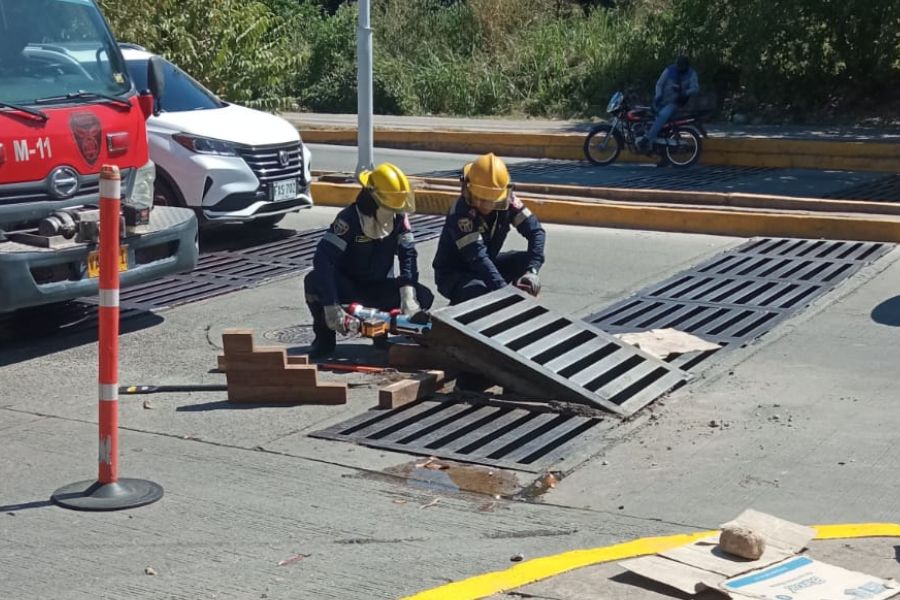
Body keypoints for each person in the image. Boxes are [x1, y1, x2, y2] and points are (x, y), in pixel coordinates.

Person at [303, 162, 434, 358]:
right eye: (389, 206)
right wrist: (331, 306)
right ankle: (324, 338)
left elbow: (408, 255)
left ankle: (382, 337)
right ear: (373, 200)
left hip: (378, 287)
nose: (394, 211)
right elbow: (323, 260)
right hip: (349, 288)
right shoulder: (348, 220)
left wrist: (408, 295)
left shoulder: (398, 218)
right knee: (313, 282)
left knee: (424, 296)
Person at [432, 153, 545, 305]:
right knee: (481, 292)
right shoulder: (460, 213)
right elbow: (478, 258)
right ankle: (462, 306)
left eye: (492, 200)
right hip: (455, 273)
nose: (487, 206)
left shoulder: (508, 201)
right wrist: (503, 292)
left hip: (486, 262)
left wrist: (532, 271)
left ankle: (515, 299)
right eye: (481, 199)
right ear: (467, 188)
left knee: (526, 261)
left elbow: (536, 232)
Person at [637, 55, 700, 153]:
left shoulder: (691, 74)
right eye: (679, 67)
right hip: (661, 100)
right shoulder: (669, 70)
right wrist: (658, 95)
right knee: (647, 116)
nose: (680, 69)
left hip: (675, 103)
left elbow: (695, 88)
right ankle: (657, 150)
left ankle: (647, 139)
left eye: (682, 67)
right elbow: (659, 84)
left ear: (687, 66)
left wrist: (684, 92)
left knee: (662, 116)